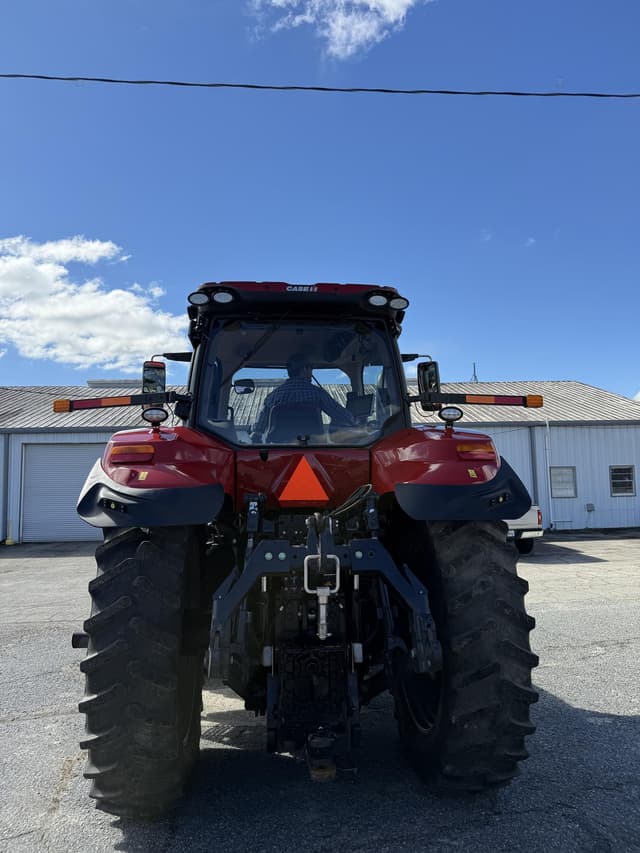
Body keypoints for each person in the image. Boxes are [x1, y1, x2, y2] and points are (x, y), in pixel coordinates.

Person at [251, 353, 355, 442]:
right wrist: (356, 420)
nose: (311, 373)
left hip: (281, 452)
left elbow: (258, 428)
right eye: (311, 369)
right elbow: (341, 415)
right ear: (304, 369)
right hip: (313, 449)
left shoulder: (272, 397)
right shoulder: (317, 393)